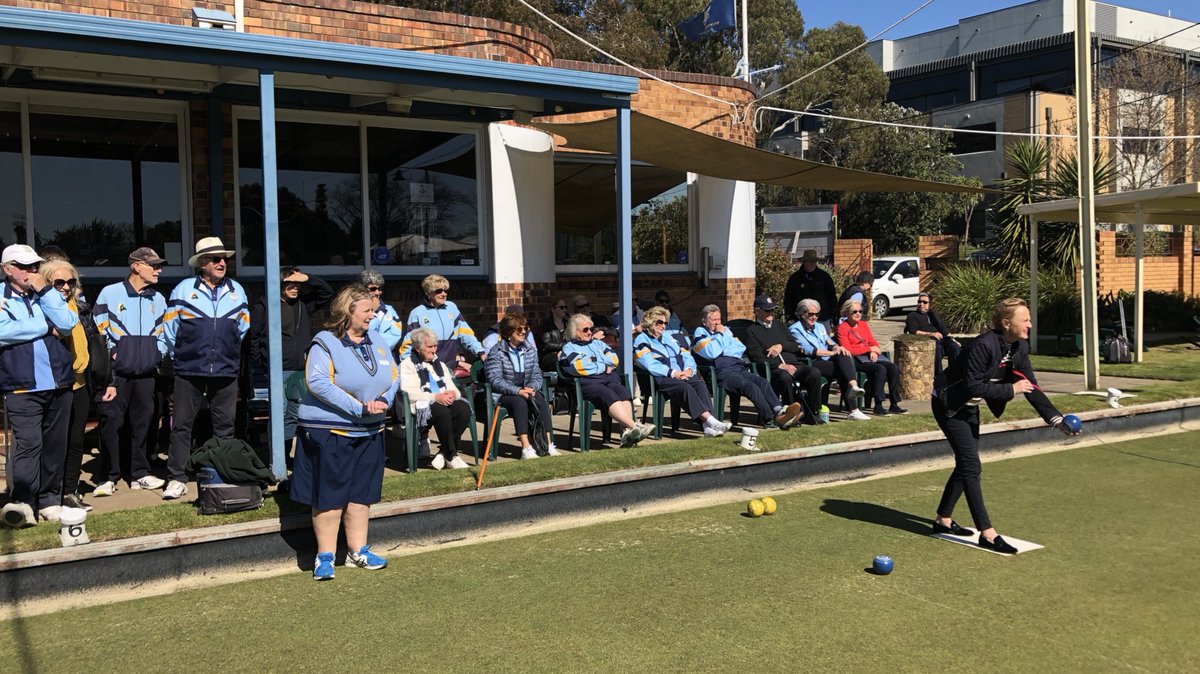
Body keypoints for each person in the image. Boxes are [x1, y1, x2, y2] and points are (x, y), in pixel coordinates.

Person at [932, 298, 1079, 554]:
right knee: (971, 465)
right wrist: (1010, 389)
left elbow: (1030, 386)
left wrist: (1056, 419)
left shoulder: (1019, 348)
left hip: (969, 406)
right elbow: (972, 386)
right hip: (949, 404)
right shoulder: (983, 345)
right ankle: (987, 534)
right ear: (1005, 323)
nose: (1030, 325)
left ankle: (943, 519)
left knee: (967, 463)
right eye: (1025, 320)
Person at [293, 284, 399, 580]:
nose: (372, 316)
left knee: (361, 494)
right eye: (366, 310)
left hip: (370, 431)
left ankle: (358, 551)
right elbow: (318, 383)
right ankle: (324, 557)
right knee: (329, 496)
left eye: (373, 310)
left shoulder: (377, 340)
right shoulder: (324, 342)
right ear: (347, 310)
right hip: (330, 430)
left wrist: (384, 401)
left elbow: (393, 375)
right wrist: (359, 407)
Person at [159, 237, 250, 500]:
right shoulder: (183, 289)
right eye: (215, 259)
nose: (222, 263)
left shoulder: (238, 290)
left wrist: (225, 349)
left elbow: (242, 327)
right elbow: (170, 328)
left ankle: (222, 474)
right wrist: (184, 354)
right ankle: (177, 478)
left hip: (225, 369)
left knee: (224, 427)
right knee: (182, 425)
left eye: (224, 259)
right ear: (202, 264)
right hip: (189, 368)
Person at [0, 245, 78, 527]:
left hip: (59, 382)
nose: (32, 272)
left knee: (56, 446)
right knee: (30, 444)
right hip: (22, 385)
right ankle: (23, 502)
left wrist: (45, 293)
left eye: (34, 266)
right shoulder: (1, 296)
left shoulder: (47, 294)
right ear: (8, 268)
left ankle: (49, 500)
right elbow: (2, 332)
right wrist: (44, 326)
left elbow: (68, 322)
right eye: (24, 266)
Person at [94, 248, 170, 498]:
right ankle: (109, 476)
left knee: (144, 423)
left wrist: (156, 355)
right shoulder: (110, 293)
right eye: (154, 266)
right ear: (137, 267)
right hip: (117, 374)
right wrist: (114, 353)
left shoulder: (158, 299)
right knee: (111, 423)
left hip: (147, 372)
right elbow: (100, 328)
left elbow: (163, 332)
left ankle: (140, 472)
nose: (159, 270)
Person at [39, 260, 102, 512]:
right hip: (56, 384)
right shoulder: (42, 308)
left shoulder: (81, 308)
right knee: (54, 442)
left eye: (70, 282)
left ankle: (69, 491)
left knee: (76, 441)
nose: (65, 287)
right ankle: (48, 493)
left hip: (81, 382)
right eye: (58, 282)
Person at [249, 265, 333, 445]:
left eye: (298, 284)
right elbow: (254, 339)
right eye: (290, 284)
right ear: (279, 283)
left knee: (295, 413)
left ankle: (285, 455)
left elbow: (327, 292)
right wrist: (264, 363)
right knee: (280, 412)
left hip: (299, 370)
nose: (295, 287)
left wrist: (308, 277)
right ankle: (276, 458)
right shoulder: (263, 307)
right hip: (277, 370)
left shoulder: (303, 304)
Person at [692, 304, 803, 428]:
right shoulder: (699, 335)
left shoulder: (726, 330)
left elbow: (740, 348)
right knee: (750, 386)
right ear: (704, 321)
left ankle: (780, 411)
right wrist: (720, 337)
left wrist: (721, 348)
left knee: (762, 382)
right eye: (714, 320)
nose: (717, 323)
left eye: (719, 319)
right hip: (721, 372)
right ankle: (772, 418)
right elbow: (712, 353)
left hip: (737, 366)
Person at [559, 313, 654, 448]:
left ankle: (626, 433)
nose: (590, 332)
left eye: (591, 329)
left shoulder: (598, 343)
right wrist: (603, 365)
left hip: (607, 379)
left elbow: (614, 359)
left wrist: (595, 362)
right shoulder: (569, 348)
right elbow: (579, 367)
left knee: (623, 391)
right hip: (588, 383)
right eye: (585, 330)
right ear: (575, 332)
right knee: (608, 394)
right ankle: (635, 426)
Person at [634, 306, 729, 437]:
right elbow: (650, 364)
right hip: (660, 378)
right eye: (659, 322)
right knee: (685, 387)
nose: (663, 326)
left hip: (680, 375)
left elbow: (686, 354)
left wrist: (689, 369)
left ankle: (707, 428)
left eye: (665, 323)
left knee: (699, 385)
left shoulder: (669, 338)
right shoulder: (641, 340)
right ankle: (711, 421)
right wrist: (673, 373)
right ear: (650, 322)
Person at [484, 313, 559, 459]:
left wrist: (532, 387)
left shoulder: (529, 349)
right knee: (519, 403)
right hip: (504, 394)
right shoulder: (497, 352)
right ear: (508, 332)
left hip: (526, 389)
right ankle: (526, 447)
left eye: (525, 328)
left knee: (540, 399)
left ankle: (549, 444)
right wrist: (518, 391)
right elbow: (495, 380)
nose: (524, 332)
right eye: (519, 330)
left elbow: (537, 374)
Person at [400, 326, 472, 470]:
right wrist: (435, 397)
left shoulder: (439, 364)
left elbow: (453, 388)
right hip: (422, 405)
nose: (434, 350)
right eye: (430, 347)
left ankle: (443, 452)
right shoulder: (407, 365)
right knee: (441, 411)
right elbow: (409, 392)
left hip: (443, 400)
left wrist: (452, 394)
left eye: (435, 346)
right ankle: (451, 456)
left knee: (463, 409)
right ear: (418, 348)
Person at [743, 295, 824, 422]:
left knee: (814, 373)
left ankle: (813, 412)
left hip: (793, 362)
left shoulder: (779, 325)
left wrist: (781, 346)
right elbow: (756, 357)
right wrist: (779, 365)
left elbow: (794, 345)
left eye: (772, 310)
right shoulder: (752, 331)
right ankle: (790, 414)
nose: (771, 313)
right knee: (784, 377)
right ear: (757, 311)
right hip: (773, 368)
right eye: (767, 310)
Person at [789, 299, 869, 421]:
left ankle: (853, 387)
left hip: (827, 358)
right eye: (810, 314)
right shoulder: (795, 329)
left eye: (816, 314)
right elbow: (809, 350)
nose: (814, 317)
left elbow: (829, 342)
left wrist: (837, 347)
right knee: (844, 371)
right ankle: (853, 409)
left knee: (844, 353)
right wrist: (831, 352)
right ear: (801, 313)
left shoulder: (819, 327)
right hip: (813, 361)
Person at [836, 300, 906, 416]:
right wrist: (869, 349)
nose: (858, 314)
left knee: (893, 368)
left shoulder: (863, 324)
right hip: (855, 359)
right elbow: (848, 350)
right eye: (854, 312)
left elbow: (873, 342)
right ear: (847, 313)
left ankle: (894, 403)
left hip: (869, 357)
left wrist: (874, 350)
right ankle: (878, 405)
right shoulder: (843, 328)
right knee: (880, 369)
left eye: (860, 311)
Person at [398, 274, 485, 364]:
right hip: (428, 366)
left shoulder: (451, 307)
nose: (443, 294)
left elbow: (466, 334)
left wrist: (480, 352)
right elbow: (409, 343)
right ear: (428, 292)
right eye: (439, 291)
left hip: (451, 364)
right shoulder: (417, 313)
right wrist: (406, 364)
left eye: (445, 290)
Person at [905, 292, 961, 377]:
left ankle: (954, 375)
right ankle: (939, 377)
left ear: (930, 304)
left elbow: (942, 328)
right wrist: (931, 334)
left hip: (941, 340)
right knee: (937, 349)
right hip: (927, 341)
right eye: (919, 301)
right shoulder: (912, 315)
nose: (921, 304)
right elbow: (913, 331)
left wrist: (953, 340)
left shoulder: (932, 314)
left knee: (954, 347)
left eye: (925, 302)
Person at [783, 249, 838, 323]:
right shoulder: (795, 278)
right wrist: (790, 316)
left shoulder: (824, 277)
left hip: (821, 318)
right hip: (801, 319)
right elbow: (789, 299)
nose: (812, 264)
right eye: (809, 261)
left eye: (814, 261)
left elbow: (832, 297)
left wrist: (832, 315)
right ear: (804, 262)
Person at [358, 269, 403, 353]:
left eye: (379, 288)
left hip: (386, 354)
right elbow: (359, 333)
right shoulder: (355, 310)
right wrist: (372, 311)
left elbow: (395, 335)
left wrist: (374, 343)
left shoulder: (389, 310)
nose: (377, 292)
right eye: (373, 289)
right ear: (362, 289)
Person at [536, 298, 570, 372]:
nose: (564, 310)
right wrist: (564, 345)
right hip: (550, 355)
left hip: (566, 352)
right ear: (553, 309)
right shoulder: (546, 324)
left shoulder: (567, 323)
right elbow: (546, 345)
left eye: (565, 307)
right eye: (561, 307)